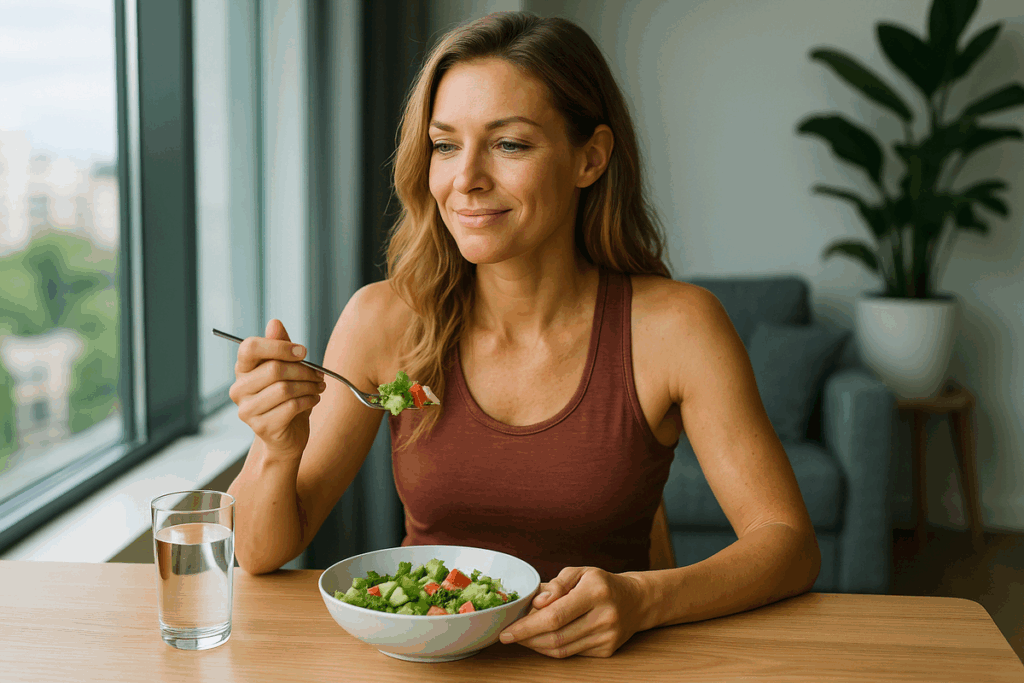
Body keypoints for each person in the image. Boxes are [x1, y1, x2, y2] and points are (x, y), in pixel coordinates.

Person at [227, 11, 820, 659]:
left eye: (509, 144)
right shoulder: (383, 319)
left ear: (589, 158)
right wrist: (275, 445)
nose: (466, 178)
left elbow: (787, 541)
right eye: (446, 144)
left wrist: (644, 598)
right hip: (426, 663)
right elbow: (256, 551)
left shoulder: (678, 326)